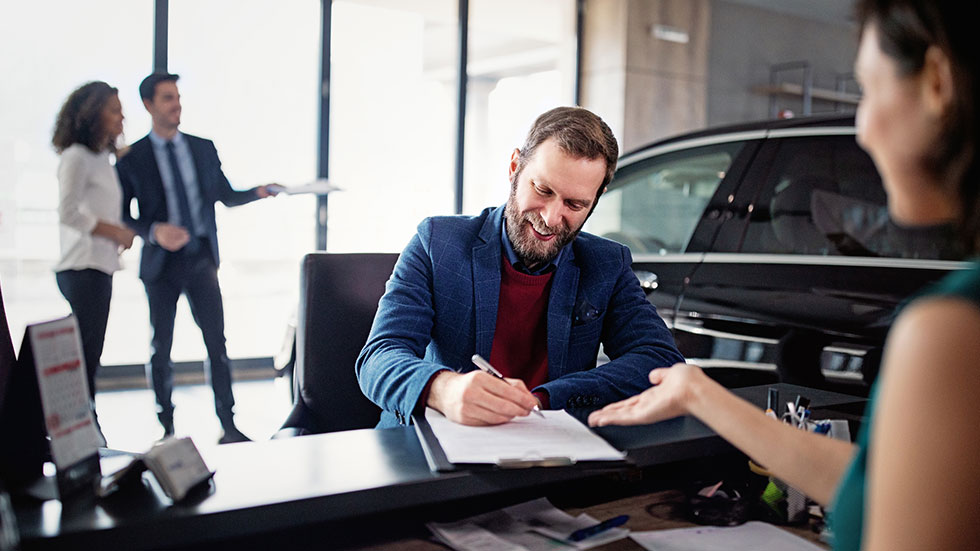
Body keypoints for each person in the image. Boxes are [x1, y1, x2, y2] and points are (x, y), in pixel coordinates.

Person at [588, 1, 980, 549]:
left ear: (936, 83)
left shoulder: (951, 329)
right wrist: (700, 394)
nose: (863, 131)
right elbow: (885, 485)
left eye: (867, 91)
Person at [356, 106, 684, 428]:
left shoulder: (607, 263)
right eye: (542, 190)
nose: (550, 218)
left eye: (575, 204)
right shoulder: (437, 242)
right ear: (515, 167)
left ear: (595, 200)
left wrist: (545, 398)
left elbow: (660, 361)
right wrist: (443, 389)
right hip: (432, 445)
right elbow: (379, 358)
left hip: (549, 448)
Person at [116, 73, 278, 444]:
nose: (177, 105)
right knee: (162, 347)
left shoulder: (203, 148)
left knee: (216, 343)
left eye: (178, 97)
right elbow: (125, 215)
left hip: (202, 259)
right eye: (168, 98)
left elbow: (226, 195)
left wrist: (259, 191)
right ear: (149, 105)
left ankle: (229, 424)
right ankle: (166, 429)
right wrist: (155, 231)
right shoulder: (133, 158)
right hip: (161, 264)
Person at [51, 81, 137, 444]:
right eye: (114, 110)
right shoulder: (75, 157)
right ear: (92, 114)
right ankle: (84, 431)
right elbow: (68, 212)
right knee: (85, 354)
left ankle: (85, 427)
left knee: (90, 352)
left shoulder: (103, 158)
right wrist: (113, 232)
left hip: (100, 267)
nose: (122, 117)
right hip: (81, 267)